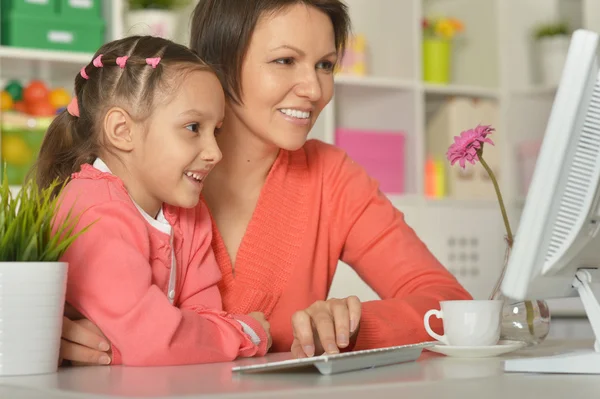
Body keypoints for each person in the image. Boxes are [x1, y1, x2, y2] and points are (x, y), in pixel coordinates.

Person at [59, 0, 472, 365]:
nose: (314, 89)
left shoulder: (332, 177)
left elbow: (450, 305)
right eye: (285, 61)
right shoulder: (134, 174)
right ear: (220, 63)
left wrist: (351, 327)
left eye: (325, 65)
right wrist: (41, 329)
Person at [37, 35, 271, 366]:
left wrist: (163, 342)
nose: (215, 153)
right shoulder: (93, 210)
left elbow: (203, 317)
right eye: (193, 127)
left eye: (215, 130)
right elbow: (156, 342)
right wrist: (244, 334)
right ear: (122, 130)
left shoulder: (189, 214)